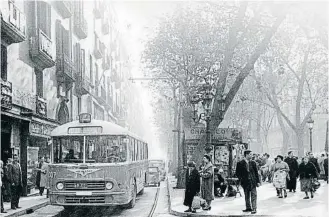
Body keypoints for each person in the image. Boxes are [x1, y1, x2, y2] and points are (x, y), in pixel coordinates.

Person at [236, 150, 260, 214]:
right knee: (247, 195)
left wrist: (258, 181)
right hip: (245, 182)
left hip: (253, 181)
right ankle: (248, 207)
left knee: (254, 195)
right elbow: (237, 173)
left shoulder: (253, 163)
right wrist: (241, 179)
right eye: (250, 154)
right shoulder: (240, 163)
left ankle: (254, 208)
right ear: (246, 155)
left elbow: (256, 173)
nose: (252, 156)